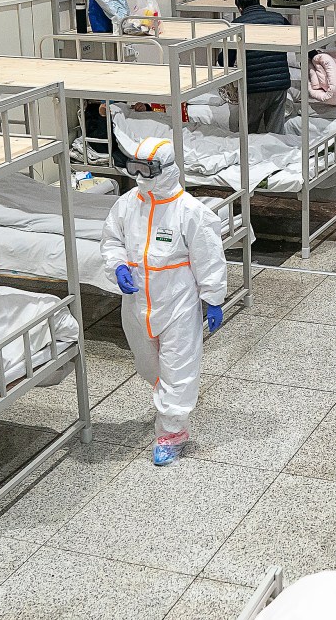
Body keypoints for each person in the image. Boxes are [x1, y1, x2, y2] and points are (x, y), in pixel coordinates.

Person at [101, 147, 227, 466]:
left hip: (177, 300)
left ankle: (172, 432)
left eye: (147, 170)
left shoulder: (190, 211)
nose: (140, 177)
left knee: (178, 368)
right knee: (148, 366)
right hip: (136, 301)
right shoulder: (127, 205)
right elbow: (112, 240)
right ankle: (170, 400)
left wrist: (212, 298)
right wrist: (117, 266)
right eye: (135, 169)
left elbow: (209, 257)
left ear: (167, 169)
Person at [229, 0, 292, 134]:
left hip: (253, 87)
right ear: (259, 2)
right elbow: (300, 37)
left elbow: (226, 59)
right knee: (276, 134)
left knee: (249, 133)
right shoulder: (279, 19)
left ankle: (250, 156)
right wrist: (314, 55)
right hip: (279, 84)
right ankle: (277, 156)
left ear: (240, 8)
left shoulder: (236, 25)